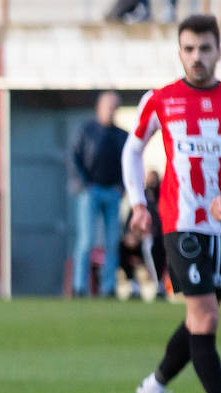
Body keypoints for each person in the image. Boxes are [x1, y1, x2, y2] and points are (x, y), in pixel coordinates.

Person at [128, 14, 221, 393]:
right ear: (179, 52)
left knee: (200, 320)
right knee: (206, 315)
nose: (197, 57)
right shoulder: (161, 99)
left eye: (205, 48)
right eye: (189, 49)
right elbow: (132, 149)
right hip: (181, 223)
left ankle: (154, 386)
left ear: (219, 52)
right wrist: (138, 203)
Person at [70, 91, 128, 298]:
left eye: (114, 107)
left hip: (113, 192)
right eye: (107, 106)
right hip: (90, 191)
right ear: (99, 108)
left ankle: (108, 288)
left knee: (112, 242)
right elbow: (74, 158)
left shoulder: (122, 136)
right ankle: (79, 287)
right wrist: (84, 184)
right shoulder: (87, 131)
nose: (110, 111)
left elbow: (130, 164)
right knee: (86, 241)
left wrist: (122, 187)